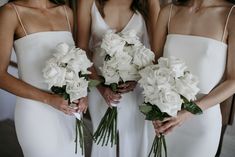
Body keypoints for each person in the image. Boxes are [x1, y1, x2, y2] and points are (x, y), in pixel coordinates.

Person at [0, 0, 87, 157]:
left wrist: (82, 93)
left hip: (67, 110)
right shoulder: (10, 12)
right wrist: (49, 99)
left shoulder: (66, 12)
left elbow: (74, 63)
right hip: (35, 111)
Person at [150, 0, 235, 157]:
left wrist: (190, 111)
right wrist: (153, 108)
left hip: (202, 123)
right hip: (165, 117)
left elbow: (233, 81)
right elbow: (154, 65)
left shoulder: (230, 15)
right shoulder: (168, 11)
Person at [76, 0, 160, 156]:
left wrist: (138, 78)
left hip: (137, 87)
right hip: (99, 86)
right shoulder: (88, 2)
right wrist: (101, 87)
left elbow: (157, 50)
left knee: (134, 138)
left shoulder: (149, 2)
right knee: (104, 144)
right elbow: (82, 49)